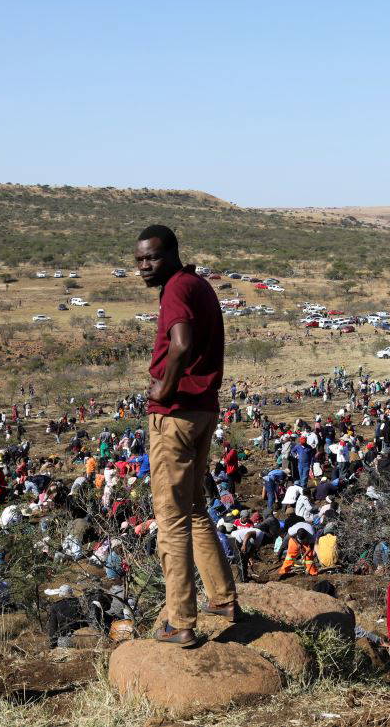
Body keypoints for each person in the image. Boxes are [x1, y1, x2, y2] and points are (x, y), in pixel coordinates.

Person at [137, 225, 238, 647]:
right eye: (140, 260)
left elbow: (180, 343)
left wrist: (163, 387)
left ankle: (181, 621)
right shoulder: (197, 284)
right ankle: (223, 598)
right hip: (203, 410)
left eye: (153, 258)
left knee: (170, 518)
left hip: (175, 414)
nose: (145, 267)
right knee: (195, 507)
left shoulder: (177, 288)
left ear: (173, 254)